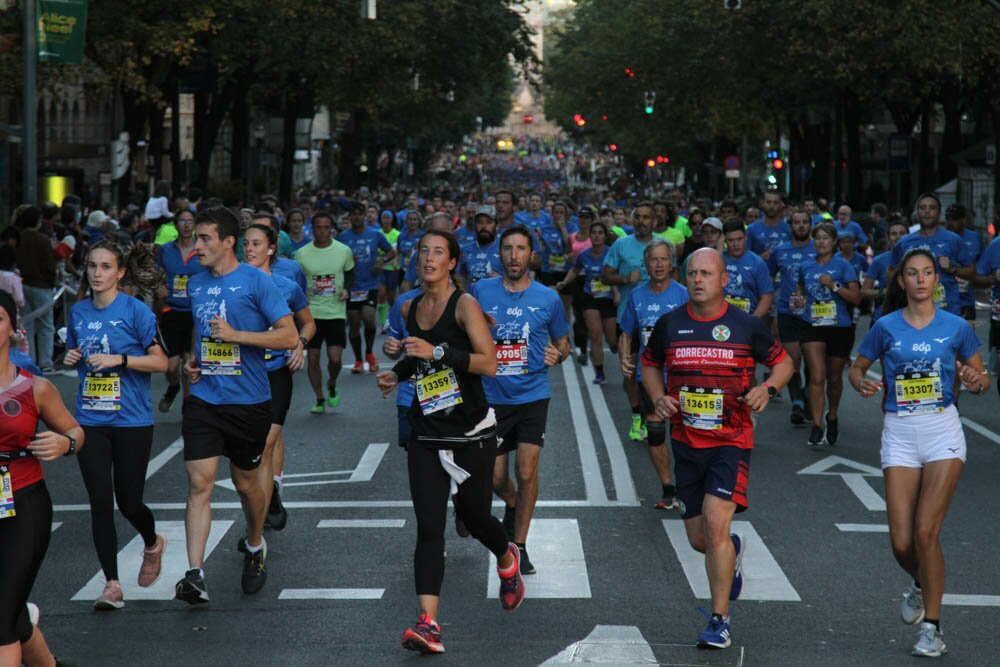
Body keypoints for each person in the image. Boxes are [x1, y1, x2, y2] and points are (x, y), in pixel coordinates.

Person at [375, 230, 524, 654]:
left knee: (476, 519)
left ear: (452, 262)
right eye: (423, 251)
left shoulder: (466, 306)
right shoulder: (408, 305)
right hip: (425, 431)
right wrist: (397, 372)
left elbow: (490, 365)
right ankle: (428, 624)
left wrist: (438, 352)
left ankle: (506, 554)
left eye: (438, 252)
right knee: (428, 528)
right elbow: (414, 356)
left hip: (471, 433)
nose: (429, 258)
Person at [641, 248, 792, 649]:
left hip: (731, 440)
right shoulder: (670, 325)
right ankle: (732, 551)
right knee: (699, 540)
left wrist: (767, 387)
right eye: (691, 273)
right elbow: (650, 362)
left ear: (724, 280)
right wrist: (658, 398)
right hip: (686, 441)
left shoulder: (746, 326)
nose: (697, 280)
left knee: (714, 521)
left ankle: (719, 619)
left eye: (706, 273)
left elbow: (784, 363)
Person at [849, 248, 988, 658]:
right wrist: (860, 382)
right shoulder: (886, 326)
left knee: (927, 531)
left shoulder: (956, 327)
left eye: (928, 272)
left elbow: (982, 381)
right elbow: (858, 366)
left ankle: (932, 626)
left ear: (936, 280)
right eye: (913, 273)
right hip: (899, 433)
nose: (922, 279)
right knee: (901, 542)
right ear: (902, 282)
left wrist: (972, 378)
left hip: (942, 430)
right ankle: (922, 581)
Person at [174, 207, 298, 603]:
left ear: (229, 242)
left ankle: (256, 543)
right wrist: (194, 358)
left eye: (205, 239)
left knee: (247, 485)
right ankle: (195, 574)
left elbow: (288, 337)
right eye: (196, 239)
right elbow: (200, 326)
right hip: (206, 399)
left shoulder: (256, 282)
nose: (198, 246)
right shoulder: (195, 285)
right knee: (199, 483)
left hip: (250, 401)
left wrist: (238, 335)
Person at [63, 239, 169, 609]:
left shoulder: (136, 311)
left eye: (105, 267)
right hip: (90, 418)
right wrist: (71, 356)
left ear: (120, 272)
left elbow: (161, 363)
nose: (97, 274)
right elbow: (76, 356)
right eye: (92, 266)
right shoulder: (77, 312)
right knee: (98, 502)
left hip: (131, 420)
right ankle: (111, 583)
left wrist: (120, 360)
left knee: (128, 500)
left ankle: (153, 542)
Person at [470, 225, 570, 574]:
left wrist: (557, 354)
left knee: (526, 470)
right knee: (496, 479)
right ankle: (511, 503)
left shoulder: (548, 298)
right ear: (500, 254)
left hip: (532, 396)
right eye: (508, 249)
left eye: (521, 249)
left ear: (531, 255)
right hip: (490, 397)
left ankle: (521, 544)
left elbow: (564, 344)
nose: (514, 256)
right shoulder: (480, 292)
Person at [0, 292, 84, 666]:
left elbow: (75, 432)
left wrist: (64, 443)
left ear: (14, 328)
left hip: (24, 503)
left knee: (1, 621)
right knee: (11, 613)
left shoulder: (34, 387)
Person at [241, 224, 315, 535]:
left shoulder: (287, 285)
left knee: (267, 443)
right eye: (245, 243)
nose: (249, 249)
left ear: (271, 249)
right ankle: (270, 492)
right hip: (243, 374)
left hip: (276, 373)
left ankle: (261, 516)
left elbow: (308, 323)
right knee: (255, 447)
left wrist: (300, 343)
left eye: (256, 244)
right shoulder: (232, 286)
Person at [619, 239, 689, 509]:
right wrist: (625, 358)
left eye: (664, 259)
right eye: (653, 260)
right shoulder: (637, 296)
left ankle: (687, 483)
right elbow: (627, 331)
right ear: (645, 264)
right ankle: (668, 487)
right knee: (656, 432)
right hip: (650, 375)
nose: (659, 264)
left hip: (683, 375)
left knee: (684, 435)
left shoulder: (683, 294)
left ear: (671, 263)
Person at [793, 222, 861, 447]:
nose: (821, 242)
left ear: (834, 242)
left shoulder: (843, 266)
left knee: (833, 379)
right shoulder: (806, 266)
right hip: (812, 324)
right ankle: (816, 424)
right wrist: (799, 298)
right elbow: (801, 289)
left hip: (838, 326)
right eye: (818, 238)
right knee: (816, 376)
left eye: (825, 238)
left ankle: (832, 416)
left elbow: (855, 297)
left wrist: (834, 285)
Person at [602, 202, 657, 442]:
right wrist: (625, 278)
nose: (642, 221)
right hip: (629, 318)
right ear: (633, 220)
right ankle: (638, 416)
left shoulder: (661, 247)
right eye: (639, 217)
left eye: (647, 217)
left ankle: (655, 412)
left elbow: (675, 276)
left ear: (654, 221)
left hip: (658, 320)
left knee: (657, 370)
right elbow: (605, 275)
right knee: (630, 371)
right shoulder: (621, 244)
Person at [294, 211, 354, 414]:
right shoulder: (301, 254)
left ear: (332, 229)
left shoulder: (343, 250)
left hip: (335, 312)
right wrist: (303, 294)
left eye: (326, 227)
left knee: (335, 359)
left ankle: (332, 382)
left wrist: (347, 289)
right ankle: (319, 398)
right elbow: (296, 282)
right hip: (311, 313)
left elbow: (350, 272)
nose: (322, 231)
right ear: (312, 230)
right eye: (318, 227)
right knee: (312, 357)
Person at [155, 208, 208, 412]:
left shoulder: (202, 249)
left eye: (190, 221)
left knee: (189, 361)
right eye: (182, 221)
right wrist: (158, 289)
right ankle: (173, 386)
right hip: (171, 310)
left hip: (194, 311)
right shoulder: (166, 250)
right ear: (175, 225)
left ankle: (189, 406)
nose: (186, 225)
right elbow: (158, 275)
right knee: (171, 367)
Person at [891, 194, 974, 319]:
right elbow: (891, 274)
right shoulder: (904, 243)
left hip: (947, 311)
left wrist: (953, 269)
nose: (927, 212)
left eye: (932, 208)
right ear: (917, 213)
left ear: (939, 213)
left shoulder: (953, 239)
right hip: (913, 312)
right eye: (922, 208)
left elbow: (972, 271)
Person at [768, 209, 815, 424]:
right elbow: (769, 277)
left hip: (814, 313)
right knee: (793, 358)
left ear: (810, 225)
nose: (801, 226)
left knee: (813, 361)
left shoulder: (818, 248)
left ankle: (806, 393)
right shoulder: (780, 251)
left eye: (805, 222)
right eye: (797, 222)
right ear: (790, 226)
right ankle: (797, 401)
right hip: (787, 312)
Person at [556, 220, 617, 382]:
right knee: (595, 335)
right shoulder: (584, 255)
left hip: (608, 299)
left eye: (600, 233)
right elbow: (574, 270)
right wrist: (564, 282)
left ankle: (615, 345)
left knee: (612, 340)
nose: (597, 236)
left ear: (605, 236)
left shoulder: (611, 253)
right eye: (594, 233)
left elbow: (616, 275)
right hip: (590, 298)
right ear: (590, 236)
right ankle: (599, 372)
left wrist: (617, 293)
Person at [338, 202, 396, 373]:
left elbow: (391, 252)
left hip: (370, 284)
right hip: (351, 286)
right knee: (354, 324)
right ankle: (358, 360)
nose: (357, 217)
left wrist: (381, 262)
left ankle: (370, 353)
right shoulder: (343, 237)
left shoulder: (375, 235)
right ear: (349, 217)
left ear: (364, 216)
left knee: (369, 318)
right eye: (353, 214)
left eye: (359, 214)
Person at [14, 207, 57, 373]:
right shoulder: (43, 240)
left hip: (22, 284)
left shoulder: (18, 238)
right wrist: (52, 281)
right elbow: (49, 265)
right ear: (38, 221)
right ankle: (46, 362)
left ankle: (29, 361)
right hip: (42, 286)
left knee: (27, 324)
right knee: (46, 325)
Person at [721, 218, 775, 318]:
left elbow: (767, 297)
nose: (736, 244)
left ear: (746, 237)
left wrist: (752, 322)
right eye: (731, 240)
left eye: (739, 239)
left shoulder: (757, 263)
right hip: (721, 319)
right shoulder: (718, 260)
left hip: (749, 317)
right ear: (724, 240)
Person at [863, 218, 909, 324]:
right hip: (884, 316)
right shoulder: (879, 261)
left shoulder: (918, 258)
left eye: (902, 233)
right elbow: (864, 291)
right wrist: (883, 292)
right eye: (894, 234)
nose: (898, 237)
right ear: (888, 238)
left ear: (909, 236)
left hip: (911, 316)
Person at [943, 204, 982, 323]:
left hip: (967, 300)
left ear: (964, 220)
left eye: (954, 219)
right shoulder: (941, 237)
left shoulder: (974, 237)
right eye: (948, 218)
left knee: (967, 338)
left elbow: (981, 266)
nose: (950, 222)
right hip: (945, 300)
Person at [457, 205, 502, 287]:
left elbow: (520, 278)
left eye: (488, 222)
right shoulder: (465, 250)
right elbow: (461, 276)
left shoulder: (506, 248)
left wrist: (502, 280)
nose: (484, 226)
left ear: (497, 225)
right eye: (479, 222)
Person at [746, 191, 789, 262]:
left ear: (780, 205)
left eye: (775, 203)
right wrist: (760, 258)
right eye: (768, 202)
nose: (771, 206)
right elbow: (745, 257)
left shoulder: (788, 229)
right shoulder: (751, 229)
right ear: (762, 203)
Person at [377, 209, 401, 328]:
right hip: (380, 268)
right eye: (383, 217)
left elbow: (395, 252)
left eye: (388, 218)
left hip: (393, 269)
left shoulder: (397, 234)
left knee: (391, 298)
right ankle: (383, 324)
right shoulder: (377, 233)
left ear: (392, 219)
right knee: (381, 294)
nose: (385, 220)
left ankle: (394, 319)